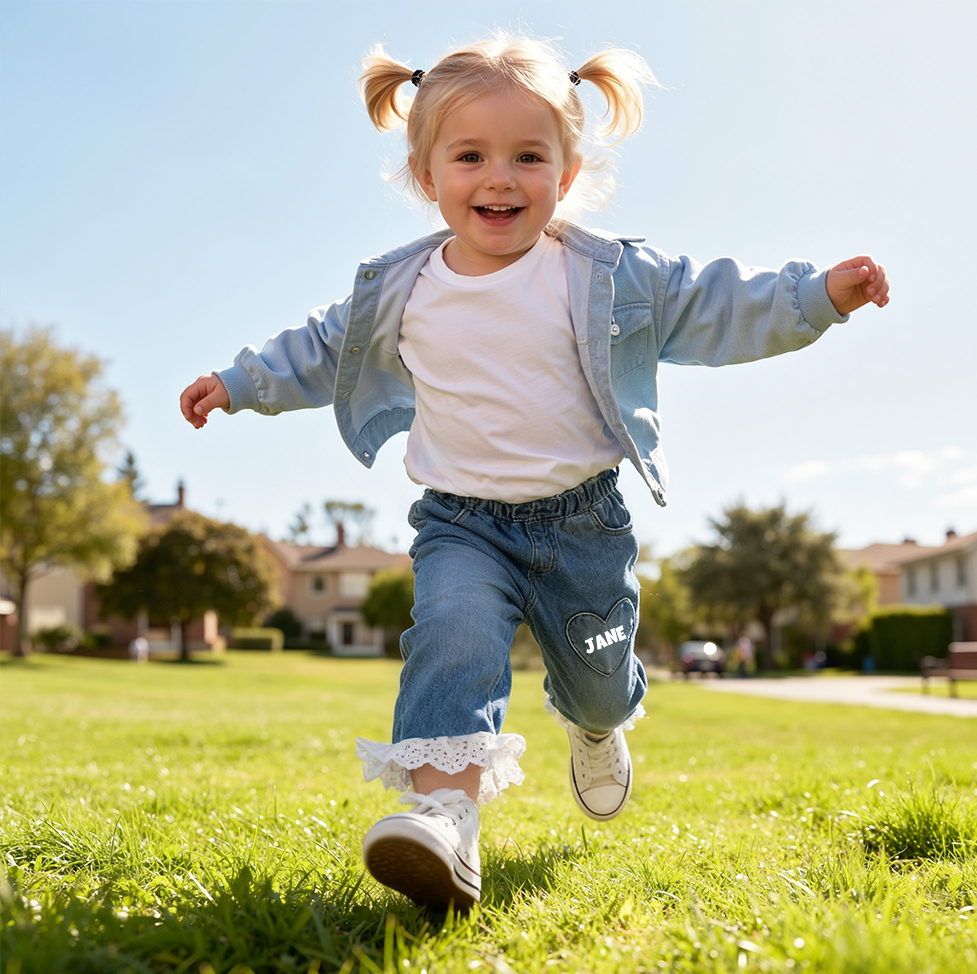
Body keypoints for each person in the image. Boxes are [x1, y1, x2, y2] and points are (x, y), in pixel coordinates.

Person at [179, 34, 889, 912]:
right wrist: (242, 382)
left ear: (568, 167)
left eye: (528, 156)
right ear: (425, 170)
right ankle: (443, 819)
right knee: (454, 633)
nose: (499, 178)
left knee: (596, 676)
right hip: (461, 523)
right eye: (470, 156)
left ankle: (597, 723)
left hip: (582, 521)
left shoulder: (605, 275)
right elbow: (322, 348)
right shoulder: (401, 291)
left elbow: (716, 304)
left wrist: (815, 296)